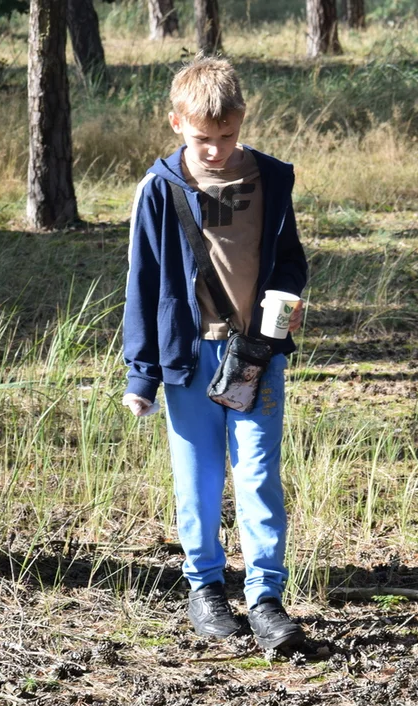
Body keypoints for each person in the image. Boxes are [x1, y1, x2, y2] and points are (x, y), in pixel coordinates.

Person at [121, 56, 310, 651]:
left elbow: (289, 259)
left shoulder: (272, 179)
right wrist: (141, 372)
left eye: (227, 136)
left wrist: (287, 305)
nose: (216, 150)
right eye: (204, 138)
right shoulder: (158, 189)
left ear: (241, 121)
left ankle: (266, 597)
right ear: (176, 122)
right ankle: (204, 588)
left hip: (257, 353)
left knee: (257, 474)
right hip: (188, 357)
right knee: (197, 480)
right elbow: (143, 281)